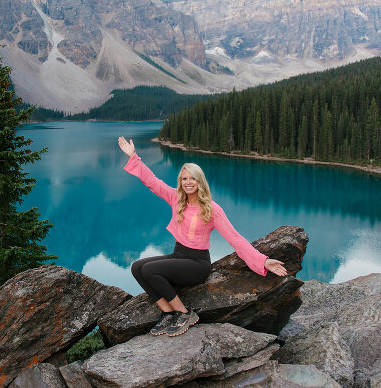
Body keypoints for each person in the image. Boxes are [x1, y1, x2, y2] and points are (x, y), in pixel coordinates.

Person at [118, 136, 288, 337]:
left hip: (197, 264)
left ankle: (184, 313)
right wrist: (134, 157)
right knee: (137, 267)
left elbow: (235, 238)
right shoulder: (176, 199)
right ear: (180, 182)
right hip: (178, 256)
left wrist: (263, 261)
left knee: (151, 270)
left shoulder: (212, 209)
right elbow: (153, 182)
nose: (188, 182)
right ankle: (167, 312)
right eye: (184, 178)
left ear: (200, 182)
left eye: (192, 178)